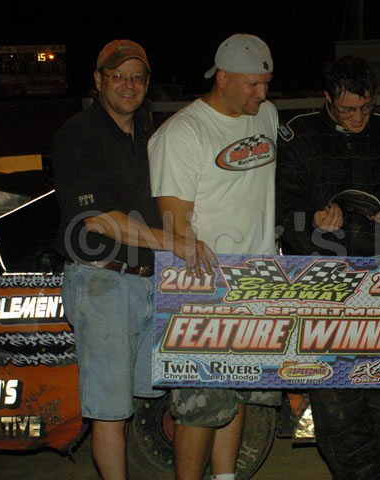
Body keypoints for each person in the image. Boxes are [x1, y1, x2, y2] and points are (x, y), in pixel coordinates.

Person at [52, 39, 215, 480]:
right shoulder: (78, 135)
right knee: (110, 410)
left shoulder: (151, 133)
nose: (129, 84)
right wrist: (173, 242)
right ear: (98, 80)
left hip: (150, 280)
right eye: (118, 75)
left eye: (137, 77)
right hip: (102, 281)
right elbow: (97, 220)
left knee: (155, 390)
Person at [276, 56, 380, 480]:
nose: (358, 117)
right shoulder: (299, 135)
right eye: (347, 109)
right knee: (333, 393)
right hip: (323, 284)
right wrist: (313, 219)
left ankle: (366, 472)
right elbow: (281, 208)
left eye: (366, 107)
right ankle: (364, 475)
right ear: (328, 99)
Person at [148, 33, 279, 480]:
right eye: (252, 84)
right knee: (199, 406)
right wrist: (206, 291)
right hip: (203, 286)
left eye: (266, 83)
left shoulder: (267, 115)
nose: (262, 92)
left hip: (259, 279)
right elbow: (174, 225)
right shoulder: (182, 133)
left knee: (237, 394)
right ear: (222, 78)